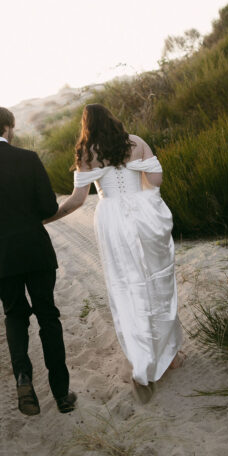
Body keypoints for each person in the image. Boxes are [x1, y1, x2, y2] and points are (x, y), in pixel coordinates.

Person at [45, 103, 184, 402]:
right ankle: (169, 356)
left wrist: (49, 218)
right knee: (158, 282)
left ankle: (141, 360)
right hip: (145, 215)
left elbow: (78, 200)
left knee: (127, 285)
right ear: (111, 119)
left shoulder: (87, 153)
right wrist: (137, 183)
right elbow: (156, 181)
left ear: (87, 125)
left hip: (113, 220)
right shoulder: (136, 143)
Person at [0, 106, 77, 416]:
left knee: (15, 317)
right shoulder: (29, 159)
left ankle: (23, 378)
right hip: (36, 251)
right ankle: (62, 394)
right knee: (48, 316)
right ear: (8, 128)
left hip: (1, 258)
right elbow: (48, 206)